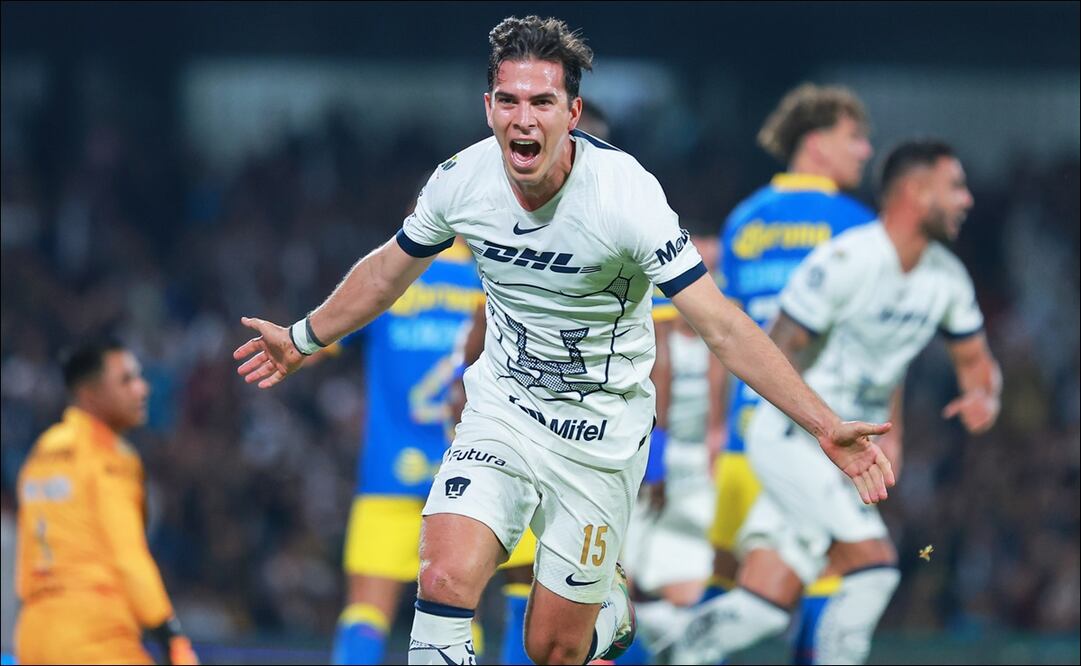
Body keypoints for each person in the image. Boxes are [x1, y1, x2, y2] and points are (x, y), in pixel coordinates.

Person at [234, 16, 894, 665]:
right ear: (487, 106)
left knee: (550, 648)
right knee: (442, 581)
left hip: (598, 437)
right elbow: (386, 273)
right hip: (503, 415)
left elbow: (719, 324)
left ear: (572, 111)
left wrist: (822, 424)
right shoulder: (461, 180)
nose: (524, 118)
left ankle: (605, 610)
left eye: (542, 101)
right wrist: (302, 338)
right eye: (510, 100)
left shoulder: (625, 198)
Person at [657, 140, 1002, 665]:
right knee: (876, 568)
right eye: (954, 186)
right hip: (799, 439)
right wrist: (809, 424)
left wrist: (985, 396)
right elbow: (776, 348)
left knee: (766, 603)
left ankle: (674, 651)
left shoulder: (947, 281)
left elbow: (976, 364)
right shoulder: (845, 262)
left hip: (849, 450)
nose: (967, 200)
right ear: (914, 191)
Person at [707, 83, 877, 663]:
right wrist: (891, 431)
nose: (866, 151)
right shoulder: (856, 225)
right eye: (854, 138)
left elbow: (722, 336)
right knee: (838, 581)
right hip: (819, 441)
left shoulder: (743, 221)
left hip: (739, 441)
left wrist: (712, 431)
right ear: (815, 142)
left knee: (727, 593)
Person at [14, 338, 198, 665]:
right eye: (126, 380)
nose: (142, 390)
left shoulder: (41, 452)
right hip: (93, 632)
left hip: (33, 633)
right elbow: (127, 555)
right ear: (90, 395)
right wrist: (170, 635)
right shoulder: (108, 456)